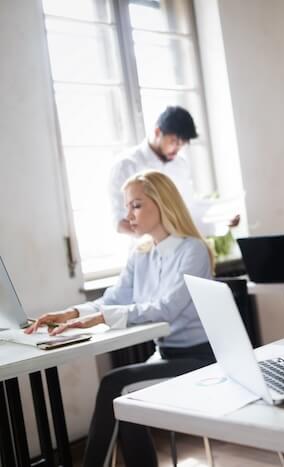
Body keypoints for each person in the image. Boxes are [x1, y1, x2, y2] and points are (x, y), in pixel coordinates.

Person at [26, 170, 216, 467]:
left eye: (136, 205)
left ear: (163, 203)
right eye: (126, 206)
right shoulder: (141, 254)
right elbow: (114, 298)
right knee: (123, 397)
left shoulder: (193, 250)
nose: (128, 215)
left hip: (202, 359)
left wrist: (103, 317)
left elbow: (166, 308)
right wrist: (73, 313)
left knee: (116, 385)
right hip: (164, 355)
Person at [109, 105, 239, 237]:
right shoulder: (126, 165)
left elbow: (188, 208)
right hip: (145, 251)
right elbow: (118, 221)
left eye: (182, 144)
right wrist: (158, 236)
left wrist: (222, 221)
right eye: (174, 141)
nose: (177, 148)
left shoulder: (180, 164)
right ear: (158, 132)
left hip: (180, 248)